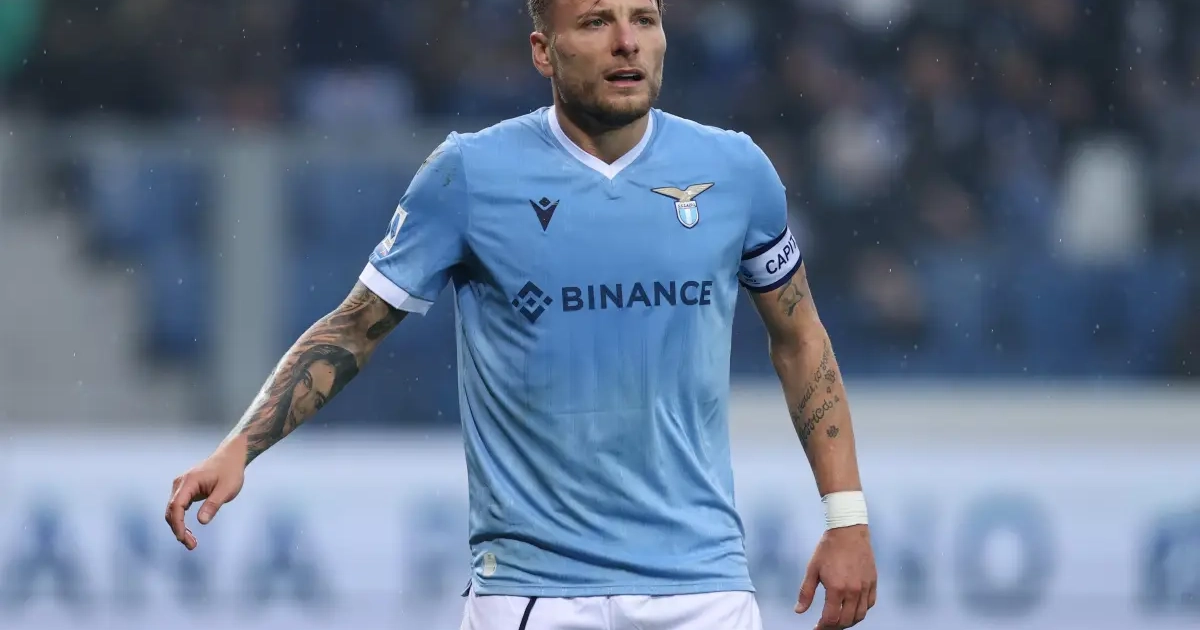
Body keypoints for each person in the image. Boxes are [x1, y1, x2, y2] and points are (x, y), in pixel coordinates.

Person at [164, 0, 878, 628]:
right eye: (595, 21)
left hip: (704, 589)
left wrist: (846, 518)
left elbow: (800, 340)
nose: (626, 42)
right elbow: (354, 329)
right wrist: (239, 447)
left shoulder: (735, 171)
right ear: (543, 50)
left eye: (644, 19)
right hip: (534, 592)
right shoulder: (469, 174)